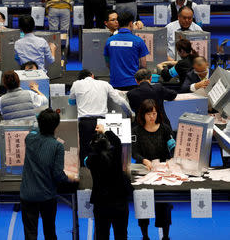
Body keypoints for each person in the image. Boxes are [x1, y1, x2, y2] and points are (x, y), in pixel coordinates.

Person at [20, 108, 78, 240]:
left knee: (30, 233)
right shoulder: (57, 146)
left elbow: (36, 130)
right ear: (56, 126)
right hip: (46, 195)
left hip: (27, 194)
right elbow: (58, 175)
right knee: (50, 231)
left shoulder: (29, 138)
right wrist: (70, 178)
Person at [132, 99, 176, 240]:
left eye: (154, 113)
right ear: (143, 115)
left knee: (164, 205)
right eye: (149, 114)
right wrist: (144, 160)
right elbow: (134, 152)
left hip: (162, 170)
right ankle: (145, 235)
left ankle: (165, 236)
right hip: (144, 170)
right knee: (143, 203)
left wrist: (171, 159)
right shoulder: (136, 130)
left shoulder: (165, 128)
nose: (152, 117)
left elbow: (173, 148)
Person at [68, 69, 132, 165]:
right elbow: (120, 100)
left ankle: (85, 174)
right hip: (101, 123)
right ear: (92, 75)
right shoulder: (104, 84)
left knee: (85, 150)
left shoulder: (76, 84)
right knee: (102, 150)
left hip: (85, 122)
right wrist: (129, 113)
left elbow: (71, 102)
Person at [85, 124, 133, 240]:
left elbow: (87, 154)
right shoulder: (115, 156)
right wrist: (105, 130)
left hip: (101, 203)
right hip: (119, 201)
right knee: (121, 234)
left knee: (101, 235)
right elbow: (116, 141)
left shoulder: (91, 160)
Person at [104, 12, 149, 90]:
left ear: (118, 23)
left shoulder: (109, 41)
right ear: (131, 23)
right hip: (133, 83)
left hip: (115, 83)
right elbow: (143, 65)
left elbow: (108, 64)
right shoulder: (138, 41)